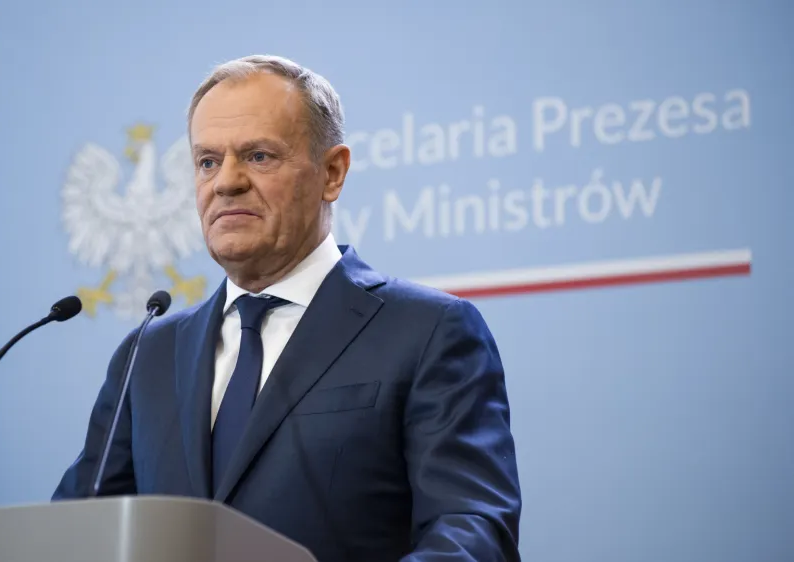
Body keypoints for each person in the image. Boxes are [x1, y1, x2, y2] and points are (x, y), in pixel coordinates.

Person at [52, 54, 522, 562]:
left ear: (333, 173)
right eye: (207, 161)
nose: (225, 182)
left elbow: (472, 530)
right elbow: (78, 532)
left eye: (258, 156)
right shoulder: (148, 356)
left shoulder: (428, 332)